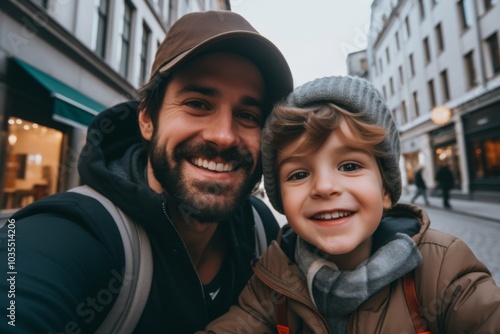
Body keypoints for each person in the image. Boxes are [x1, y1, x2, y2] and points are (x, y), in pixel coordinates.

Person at [0, 11, 293, 333]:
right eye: (197, 103)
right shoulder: (72, 231)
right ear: (147, 120)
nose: (223, 135)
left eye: (248, 115)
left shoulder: (260, 228)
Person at [200, 76, 500, 333]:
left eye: (350, 166)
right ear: (281, 199)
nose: (325, 187)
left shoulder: (441, 268)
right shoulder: (274, 276)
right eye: (299, 174)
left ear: (384, 189)